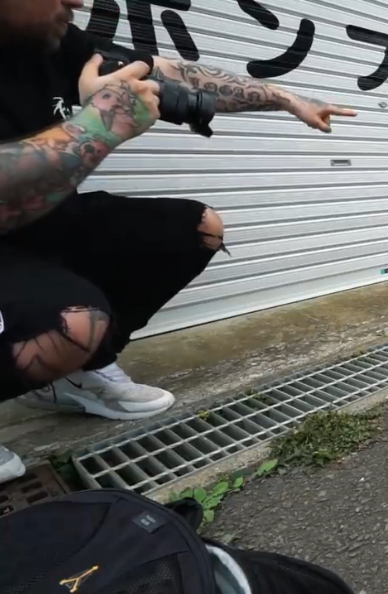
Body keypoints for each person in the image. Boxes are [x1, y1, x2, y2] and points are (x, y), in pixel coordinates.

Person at [0, 0, 357, 482]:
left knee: (198, 228)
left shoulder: (54, 42)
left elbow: (174, 73)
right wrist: (96, 125)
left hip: (44, 224)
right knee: (72, 324)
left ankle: (80, 375)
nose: (77, 1)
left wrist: (285, 98)